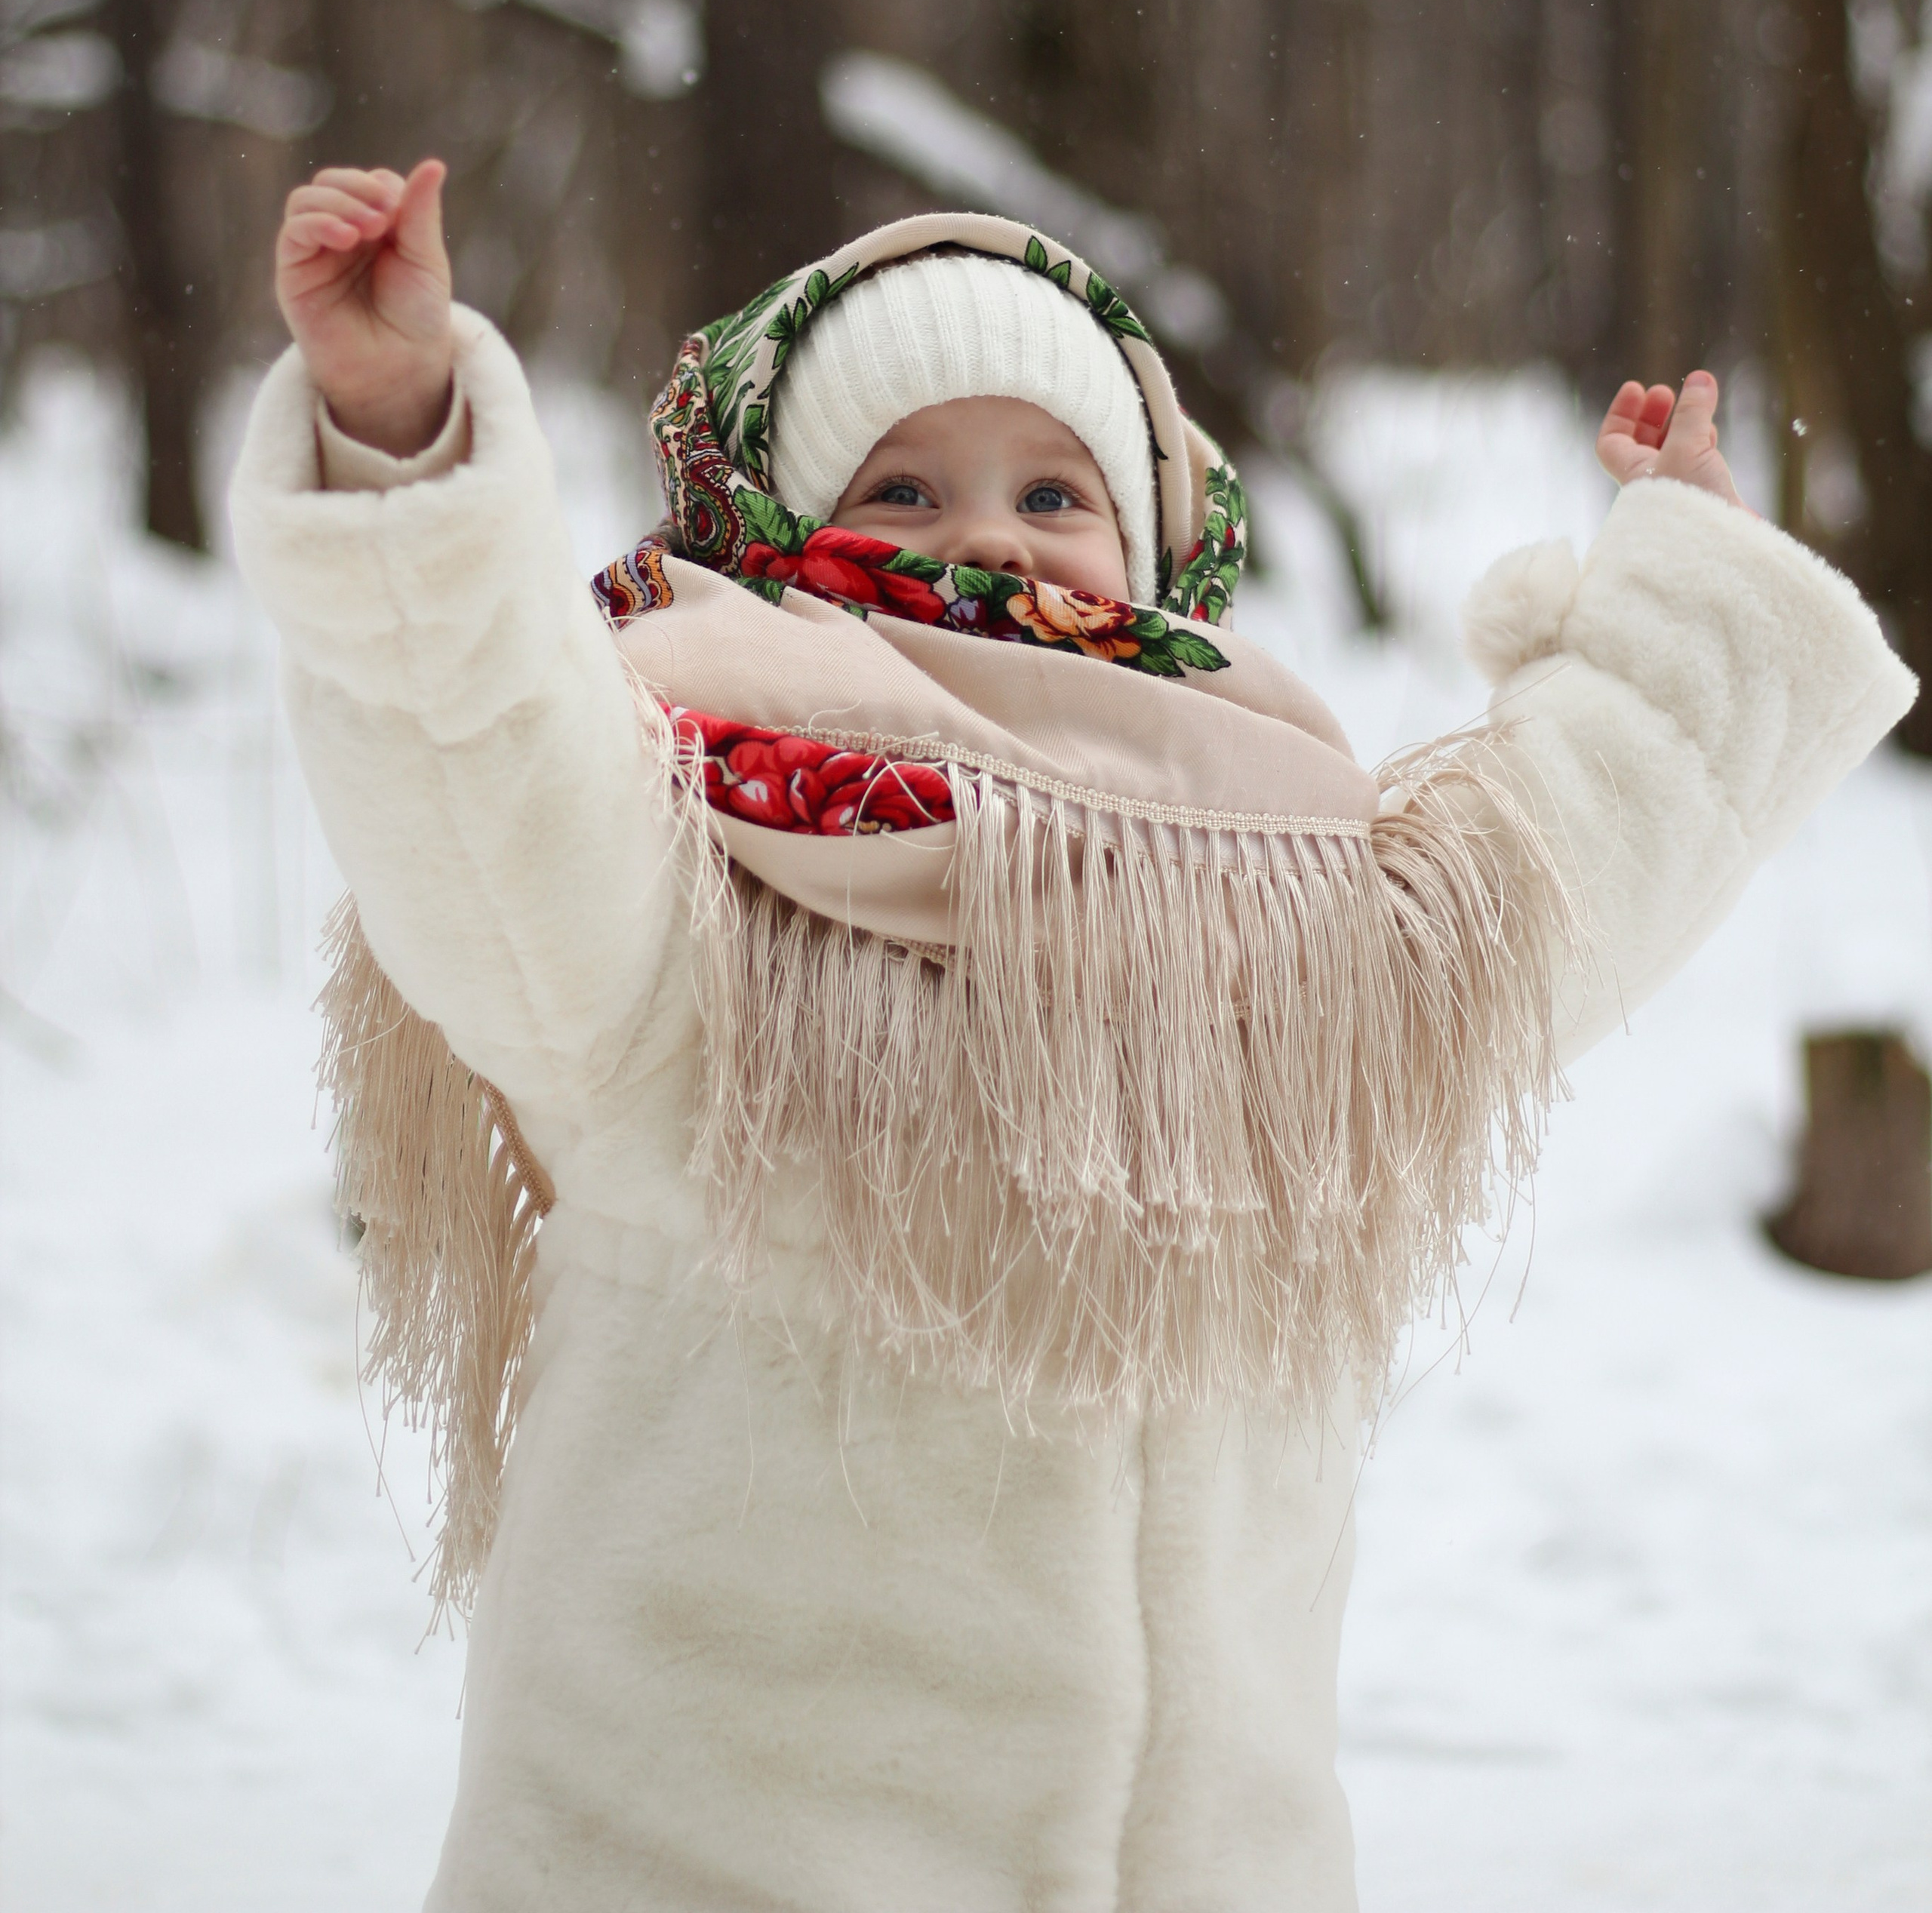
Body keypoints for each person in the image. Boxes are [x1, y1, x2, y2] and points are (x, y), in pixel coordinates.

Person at [231, 156, 1915, 1913]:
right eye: (895, 489)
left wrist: (1688, 581)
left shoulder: (1307, 931)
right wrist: (400, 439)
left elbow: (1573, 855)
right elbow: (476, 759)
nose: (986, 535)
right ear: (769, 538)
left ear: (1161, 554)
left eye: (1054, 487)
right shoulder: (672, 902)